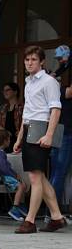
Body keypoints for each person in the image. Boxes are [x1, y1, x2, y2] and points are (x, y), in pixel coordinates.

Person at [13, 46, 67, 233]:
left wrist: (50, 135)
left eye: (33, 60)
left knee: (35, 177)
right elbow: (27, 113)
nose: (29, 63)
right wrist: (19, 137)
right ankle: (57, 217)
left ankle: (30, 221)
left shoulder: (49, 81)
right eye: (27, 60)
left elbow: (56, 109)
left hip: (42, 128)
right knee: (40, 177)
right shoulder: (29, 83)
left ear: (42, 61)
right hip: (29, 129)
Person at [0, 127, 29, 221]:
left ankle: (20, 206)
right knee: (21, 186)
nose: (10, 141)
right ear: (5, 141)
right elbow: (4, 168)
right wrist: (14, 175)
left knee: (23, 185)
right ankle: (15, 208)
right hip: (2, 177)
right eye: (9, 139)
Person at [50, 45, 72, 212]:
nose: (60, 62)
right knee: (59, 170)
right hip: (64, 128)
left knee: (57, 170)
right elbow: (68, 93)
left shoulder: (61, 71)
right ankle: (53, 210)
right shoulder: (60, 73)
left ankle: (51, 209)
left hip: (60, 126)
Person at [0, 82, 23, 153]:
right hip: (5, 141)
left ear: (15, 92)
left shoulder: (22, 107)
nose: (5, 92)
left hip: (18, 141)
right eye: (3, 91)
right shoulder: (3, 108)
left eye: (7, 90)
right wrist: (5, 132)